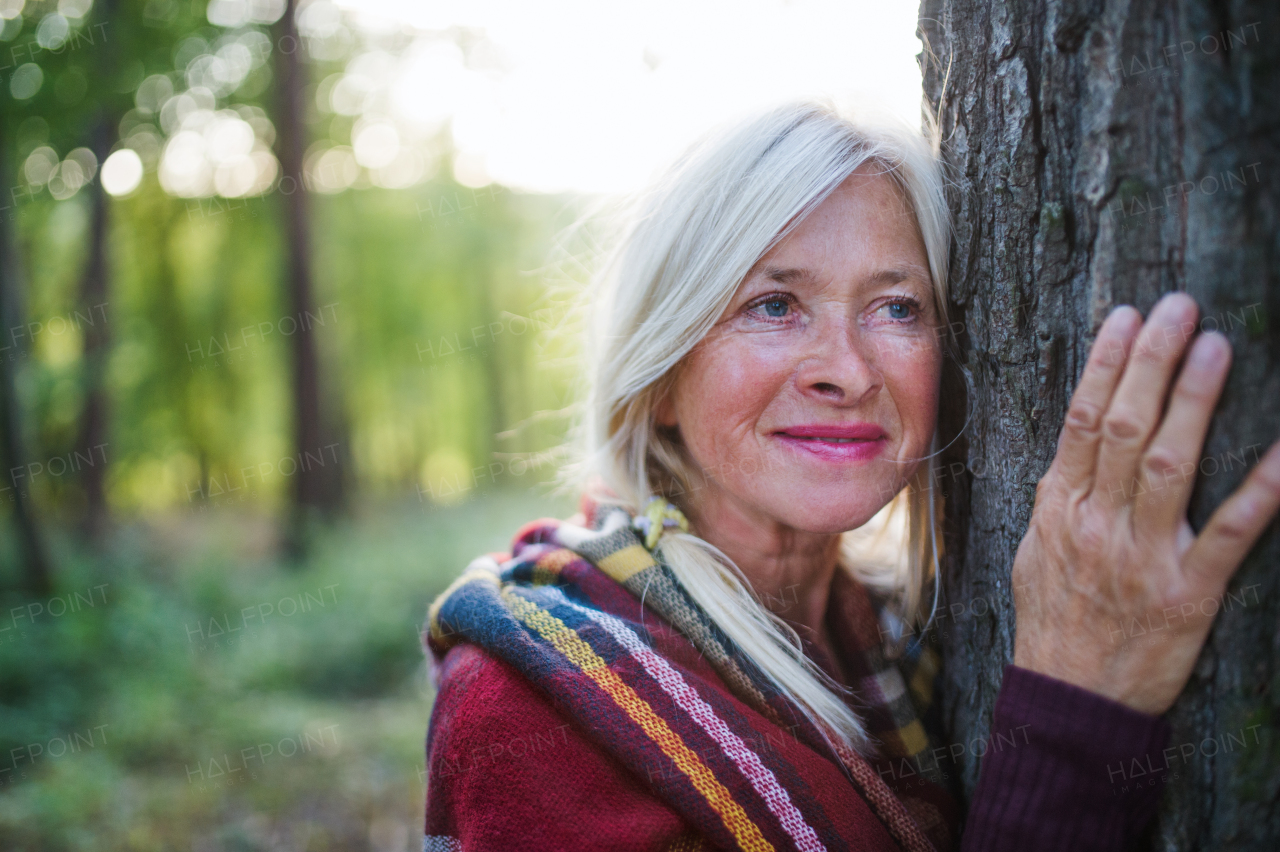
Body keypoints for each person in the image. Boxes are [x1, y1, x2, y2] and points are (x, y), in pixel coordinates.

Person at [420, 102, 1280, 851]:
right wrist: (1072, 721)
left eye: (897, 307)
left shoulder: (907, 648)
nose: (848, 370)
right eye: (773, 304)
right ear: (661, 377)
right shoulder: (532, 704)